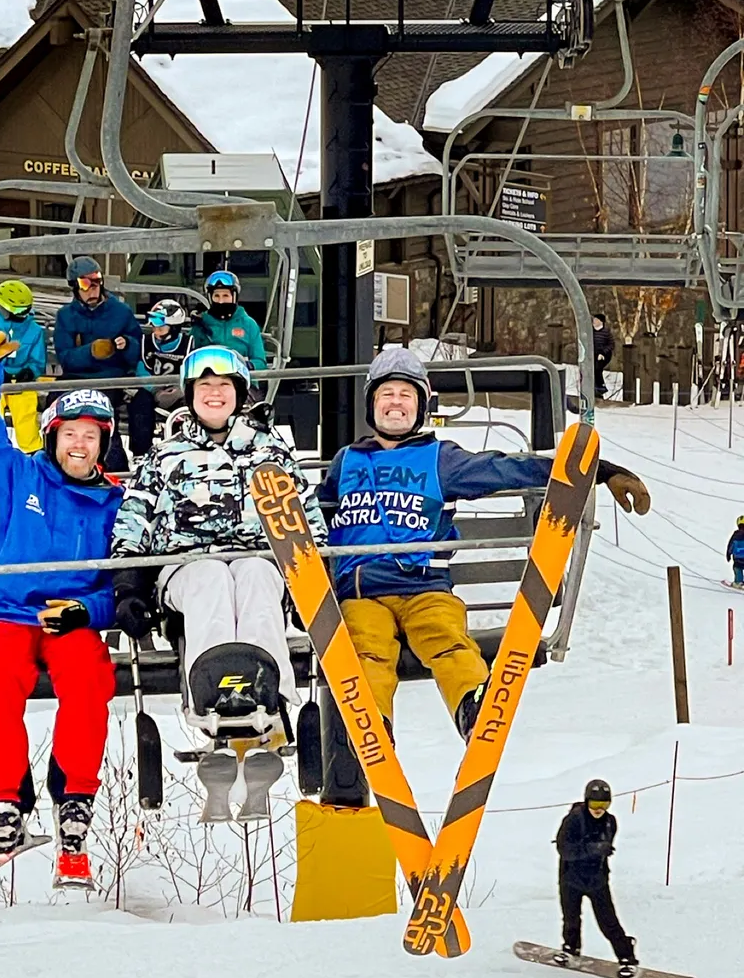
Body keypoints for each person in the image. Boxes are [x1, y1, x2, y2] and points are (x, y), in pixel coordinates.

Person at [318, 345, 651, 742]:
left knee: (447, 638)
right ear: (371, 404)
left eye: (406, 395)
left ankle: (473, 705)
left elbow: (503, 469)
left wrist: (597, 471)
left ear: (421, 406)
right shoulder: (346, 461)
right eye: (386, 394)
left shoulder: (439, 459)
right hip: (362, 591)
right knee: (364, 648)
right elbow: (317, 516)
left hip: (424, 587)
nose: (395, 403)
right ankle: (370, 724)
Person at [0, 316, 123, 888]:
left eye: (91, 436)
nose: (80, 444)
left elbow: (122, 582)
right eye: (71, 432)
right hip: (6, 610)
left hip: (69, 616)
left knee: (90, 680)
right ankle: (5, 803)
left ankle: (75, 798)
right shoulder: (21, 475)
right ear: (53, 435)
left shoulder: (112, 503)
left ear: (103, 444)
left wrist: (89, 614)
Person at [110, 345, 325, 717]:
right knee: (211, 577)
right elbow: (135, 515)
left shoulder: (270, 451)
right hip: (186, 565)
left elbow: (305, 514)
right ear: (190, 394)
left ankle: (268, 693)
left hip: (259, 558)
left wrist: (318, 581)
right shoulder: (166, 454)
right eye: (204, 385)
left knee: (256, 575)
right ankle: (211, 694)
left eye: (224, 385)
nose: (214, 393)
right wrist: (129, 586)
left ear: (239, 394)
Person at [53, 254, 142, 472]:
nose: (92, 288)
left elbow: (137, 350)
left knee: (99, 407)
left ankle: (113, 465)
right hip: (75, 379)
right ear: (74, 287)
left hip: (110, 377)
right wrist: (91, 352)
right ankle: (57, 464)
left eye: (97, 281)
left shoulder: (120, 312)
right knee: (55, 404)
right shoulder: (66, 316)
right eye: (85, 283)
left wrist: (126, 345)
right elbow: (65, 358)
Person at [554, 779, 637, 977]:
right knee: (571, 918)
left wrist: (599, 851)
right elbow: (564, 849)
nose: (599, 810)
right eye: (594, 804)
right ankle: (570, 948)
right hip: (570, 878)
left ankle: (627, 957)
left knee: (608, 921)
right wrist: (593, 848)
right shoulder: (573, 820)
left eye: (604, 805)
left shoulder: (610, 822)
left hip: (597, 880)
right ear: (586, 801)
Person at [0, 278, 47, 453]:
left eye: (25, 310)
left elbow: (38, 360)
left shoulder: (33, 330)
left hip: (21, 381)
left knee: (25, 414)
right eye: (18, 311)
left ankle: (33, 451)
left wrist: (30, 372)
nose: (22, 315)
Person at [128, 298, 192, 457]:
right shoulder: (147, 341)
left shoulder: (187, 344)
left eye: (160, 326)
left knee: (184, 411)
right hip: (152, 390)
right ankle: (140, 453)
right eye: (153, 325)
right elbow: (142, 368)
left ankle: (181, 452)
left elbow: (190, 370)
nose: (155, 330)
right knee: (140, 405)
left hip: (177, 391)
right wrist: (154, 389)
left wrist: (180, 390)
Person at [190, 270, 268, 371]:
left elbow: (260, 362)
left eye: (226, 296)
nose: (221, 301)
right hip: (209, 378)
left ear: (234, 297)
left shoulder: (248, 324)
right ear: (210, 297)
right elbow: (189, 356)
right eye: (216, 296)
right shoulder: (201, 324)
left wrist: (246, 366)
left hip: (240, 380)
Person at [592, 313, 615, 401]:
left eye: (596, 320)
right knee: (592, 370)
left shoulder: (606, 332)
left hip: (604, 354)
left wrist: (603, 352)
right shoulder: (591, 331)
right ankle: (596, 389)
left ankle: (601, 387)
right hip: (593, 353)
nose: (594, 322)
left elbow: (611, 344)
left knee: (598, 369)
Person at [726, 515, 744, 586]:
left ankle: (738, 582)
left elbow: (731, 545)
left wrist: (728, 554)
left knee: (737, 568)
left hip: (737, 559)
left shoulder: (736, 534)